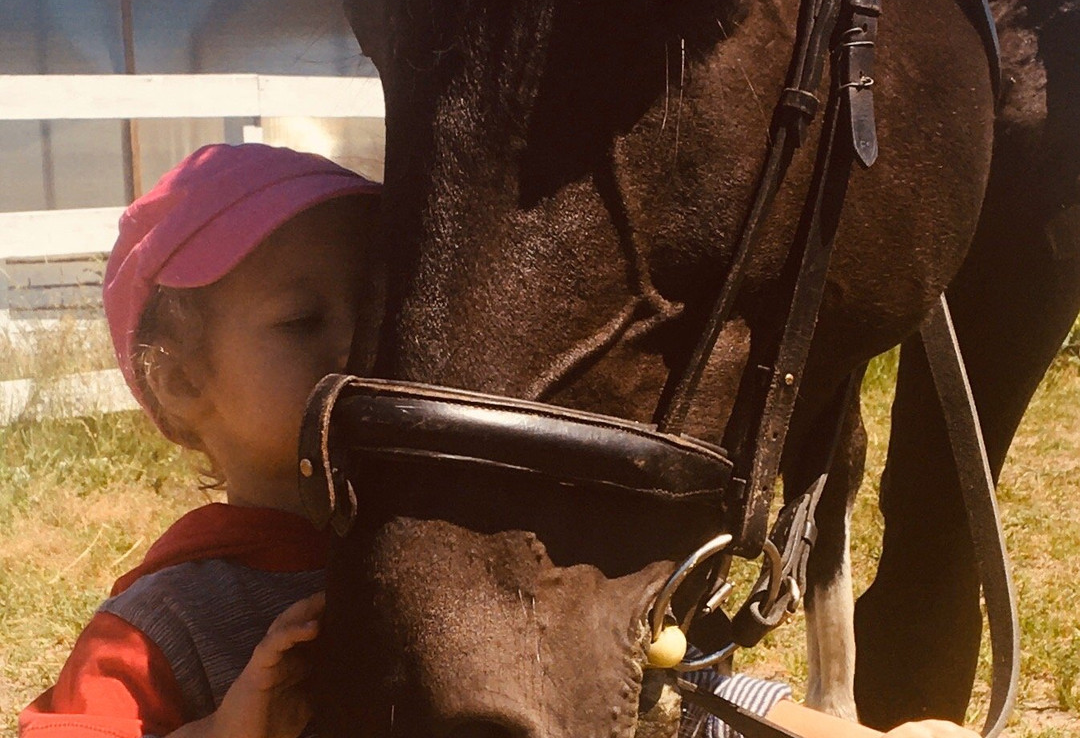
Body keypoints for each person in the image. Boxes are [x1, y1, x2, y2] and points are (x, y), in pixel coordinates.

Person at [19, 143, 980, 738]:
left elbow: (653, 695)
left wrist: (820, 731)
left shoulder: (471, 544)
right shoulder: (172, 622)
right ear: (181, 383)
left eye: (378, 305)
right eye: (303, 320)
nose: (360, 345)